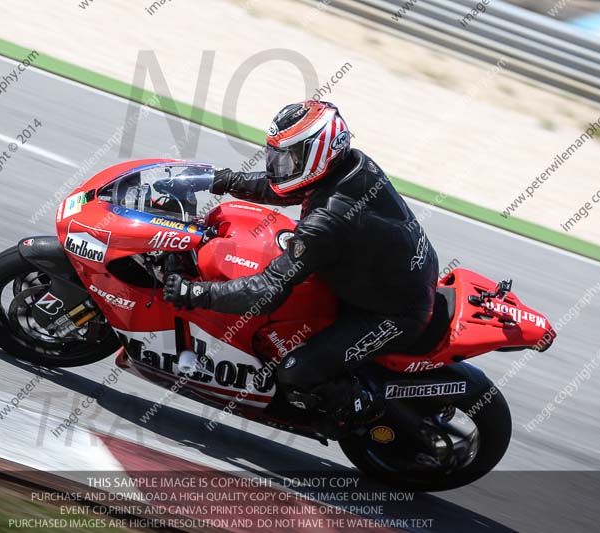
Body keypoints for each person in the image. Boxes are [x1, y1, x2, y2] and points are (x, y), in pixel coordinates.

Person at [163, 100, 439, 436]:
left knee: (296, 371)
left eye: (289, 157)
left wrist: (195, 292)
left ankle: (360, 412)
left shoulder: (327, 221)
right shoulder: (353, 165)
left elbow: (266, 292)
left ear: (318, 154)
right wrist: (221, 180)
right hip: (392, 272)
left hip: (395, 312)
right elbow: (287, 187)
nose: (279, 165)